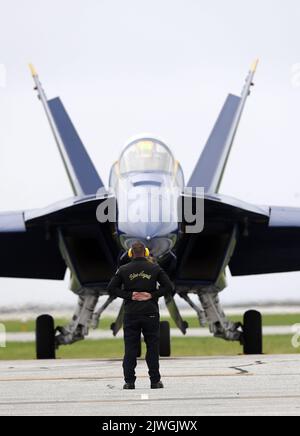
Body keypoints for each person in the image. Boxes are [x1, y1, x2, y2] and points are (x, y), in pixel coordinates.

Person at [108, 241, 174, 390]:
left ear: (131, 253)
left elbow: (111, 288)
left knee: (130, 348)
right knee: (152, 348)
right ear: (145, 253)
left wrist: (130, 296)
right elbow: (169, 287)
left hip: (131, 314)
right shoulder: (155, 268)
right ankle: (155, 381)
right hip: (150, 313)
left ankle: (129, 382)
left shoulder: (123, 269)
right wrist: (151, 295)